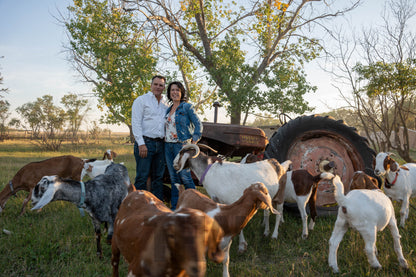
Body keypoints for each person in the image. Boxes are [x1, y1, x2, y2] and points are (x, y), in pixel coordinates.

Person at [164, 81, 203, 209]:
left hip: (181, 146)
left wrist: (193, 142)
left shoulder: (187, 107)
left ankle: (195, 205)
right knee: (174, 178)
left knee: (185, 176)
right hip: (168, 146)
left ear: (182, 93)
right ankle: (175, 207)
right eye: (172, 90)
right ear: (169, 93)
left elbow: (198, 124)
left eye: (177, 90)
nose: (175, 92)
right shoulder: (168, 109)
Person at [131, 75, 168, 201]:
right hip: (146, 143)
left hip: (161, 145)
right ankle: (138, 205)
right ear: (151, 85)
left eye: (161, 85)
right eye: (156, 84)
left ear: (164, 87)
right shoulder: (141, 100)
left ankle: (157, 206)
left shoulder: (165, 104)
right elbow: (135, 123)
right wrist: (141, 144)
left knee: (158, 177)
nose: (158, 87)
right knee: (142, 176)